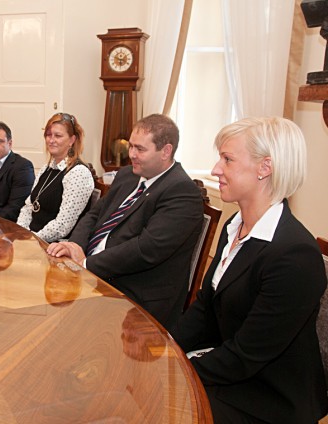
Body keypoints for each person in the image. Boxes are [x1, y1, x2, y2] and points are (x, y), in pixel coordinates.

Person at [170, 117, 328, 424]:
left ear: (264, 168)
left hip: (269, 398)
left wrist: (174, 369)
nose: (216, 169)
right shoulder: (235, 225)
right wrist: (165, 347)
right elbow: (205, 308)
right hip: (231, 370)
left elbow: (246, 356)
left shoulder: (295, 256)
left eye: (227, 159)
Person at [47, 114, 203, 329]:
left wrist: (85, 264)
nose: (131, 155)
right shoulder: (128, 175)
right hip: (95, 275)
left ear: (166, 151)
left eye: (140, 149)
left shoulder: (182, 192)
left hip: (134, 295)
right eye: (131, 146)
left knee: (59, 323)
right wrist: (74, 245)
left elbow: (146, 250)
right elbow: (94, 215)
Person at [17, 113, 94, 242]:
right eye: (48, 135)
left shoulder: (78, 173)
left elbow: (63, 226)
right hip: (32, 239)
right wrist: (21, 232)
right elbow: (28, 207)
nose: (51, 140)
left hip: (56, 245)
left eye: (58, 136)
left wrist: (33, 239)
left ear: (72, 140)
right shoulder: (46, 169)